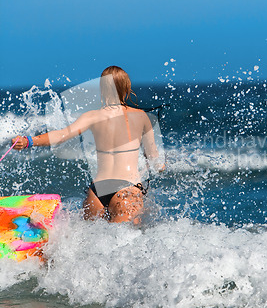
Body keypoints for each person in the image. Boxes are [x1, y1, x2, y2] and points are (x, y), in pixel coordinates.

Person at [12, 66, 162, 224]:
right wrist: (157, 165)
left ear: (103, 88)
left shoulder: (92, 116)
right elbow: (154, 159)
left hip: (97, 192)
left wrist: (28, 141)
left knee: (87, 243)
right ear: (126, 88)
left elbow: (61, 135)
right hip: (127, 190)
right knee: (127, 242)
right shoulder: (142, 117)